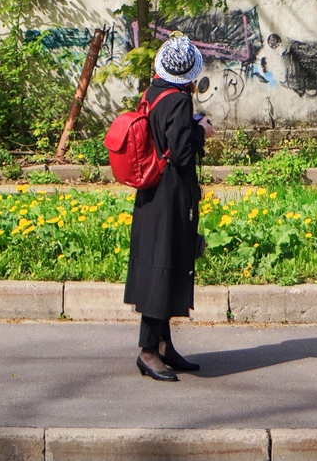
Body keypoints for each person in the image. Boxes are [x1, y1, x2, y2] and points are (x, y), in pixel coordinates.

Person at [125, 34, 208, 381]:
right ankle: (148, 351)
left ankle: (164, 346)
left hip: (151, 194)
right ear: (188, 74)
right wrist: (200, 130)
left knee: (161, 265)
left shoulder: (153, 93)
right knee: (163, 266)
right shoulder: (178, 102)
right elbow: (182, 154)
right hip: (171, 196)